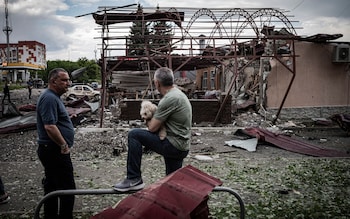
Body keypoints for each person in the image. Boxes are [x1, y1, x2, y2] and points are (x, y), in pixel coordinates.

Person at [114, 67, 192, 192]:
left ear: (157, 83)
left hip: (173, 145)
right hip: (182, 145)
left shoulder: (169, 99)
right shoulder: (178, 94)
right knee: (172, 184)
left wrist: (146, 115)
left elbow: (152, 128)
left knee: (134, 134)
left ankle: (134, 179)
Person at [36, 68, 76, 219]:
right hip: (53, 150)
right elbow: (49, 126)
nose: (68, 83)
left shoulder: (54, 97)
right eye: (64, 80)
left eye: (68, 80)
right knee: (67, 187)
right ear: (53, 81)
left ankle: (51, 216)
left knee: (53, 185)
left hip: (52, 149)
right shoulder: (50, 98)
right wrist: (63, 145)